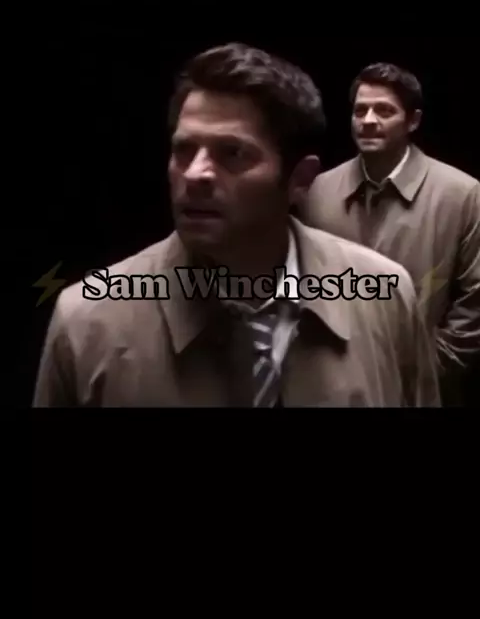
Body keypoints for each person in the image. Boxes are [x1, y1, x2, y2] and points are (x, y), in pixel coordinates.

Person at [33, 45, 440, 407]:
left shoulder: (385, 296)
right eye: (184, 150)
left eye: (232, 153)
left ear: (300, 180)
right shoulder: (87, 322)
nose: (195, 174)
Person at [300, 62, 480, 405]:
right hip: (330, 383)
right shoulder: (318, 191)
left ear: (413, 121)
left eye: (384, 110)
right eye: (360, 111)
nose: (368, 120)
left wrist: (426, 368)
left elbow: (475, 300)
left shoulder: (461, 194)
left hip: (420, 385)